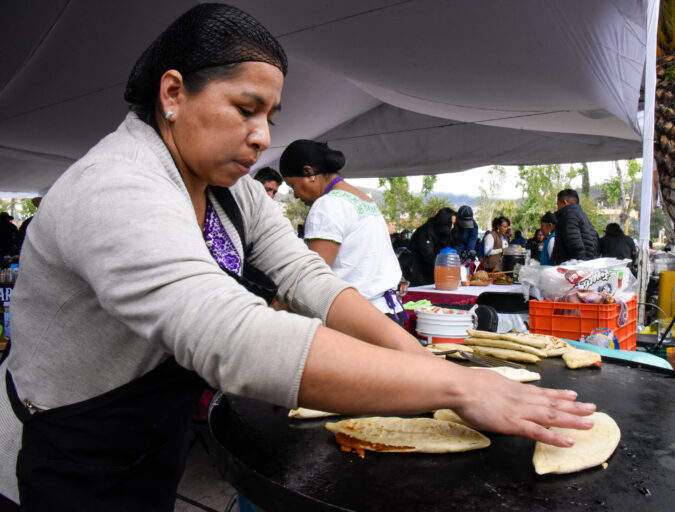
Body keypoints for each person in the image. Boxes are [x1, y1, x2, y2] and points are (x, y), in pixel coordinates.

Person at [0, 5, 594, 509]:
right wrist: (458, 389)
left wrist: (420, 357)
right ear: (173, 92)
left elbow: (308, 277)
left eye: (270, 118)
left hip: (151, 430)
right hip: (72, 441)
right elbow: (230, 336)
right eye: (245, 108)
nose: (262, 137)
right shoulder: (116, 186)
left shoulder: (228, 192)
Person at [280, 139, 406, 323]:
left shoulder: (327, 204)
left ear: (309, 172)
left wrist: (278, 307)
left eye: (293, 187)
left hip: (359, 319)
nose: (296, 195)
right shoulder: (363, 199)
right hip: (387, 313)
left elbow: (314, 280)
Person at [399, 208, 457, 286]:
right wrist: (445, 268)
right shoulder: (426, 232)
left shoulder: (441, 234)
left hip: (427, 274)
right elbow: (428, 255)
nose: (452, 227)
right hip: (416, 274)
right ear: (445, 222)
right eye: (451, 223)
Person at [550, 189, 599, 265]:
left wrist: (578, 267)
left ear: (565, 203)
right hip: (589, 263)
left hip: (570, 270)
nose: (557, 208)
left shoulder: (568, 216)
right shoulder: (583, 216)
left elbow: (575, 244)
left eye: (558, 204)